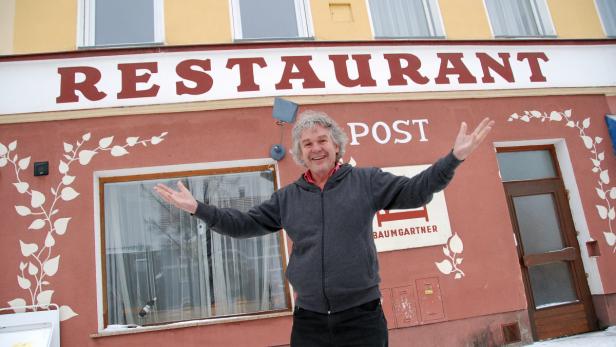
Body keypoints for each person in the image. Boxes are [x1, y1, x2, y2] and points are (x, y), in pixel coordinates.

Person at [154, 110, 494, 347]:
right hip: (310, 320)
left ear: (336, 146)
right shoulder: (287, 198)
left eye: (322, 141)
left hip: (361, 318)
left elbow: (416, 191)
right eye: (307, 144)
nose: (316, 148)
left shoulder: (366, 182)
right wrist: (198, 208)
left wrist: (453, 159)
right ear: (300, 154)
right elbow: (244, 224)